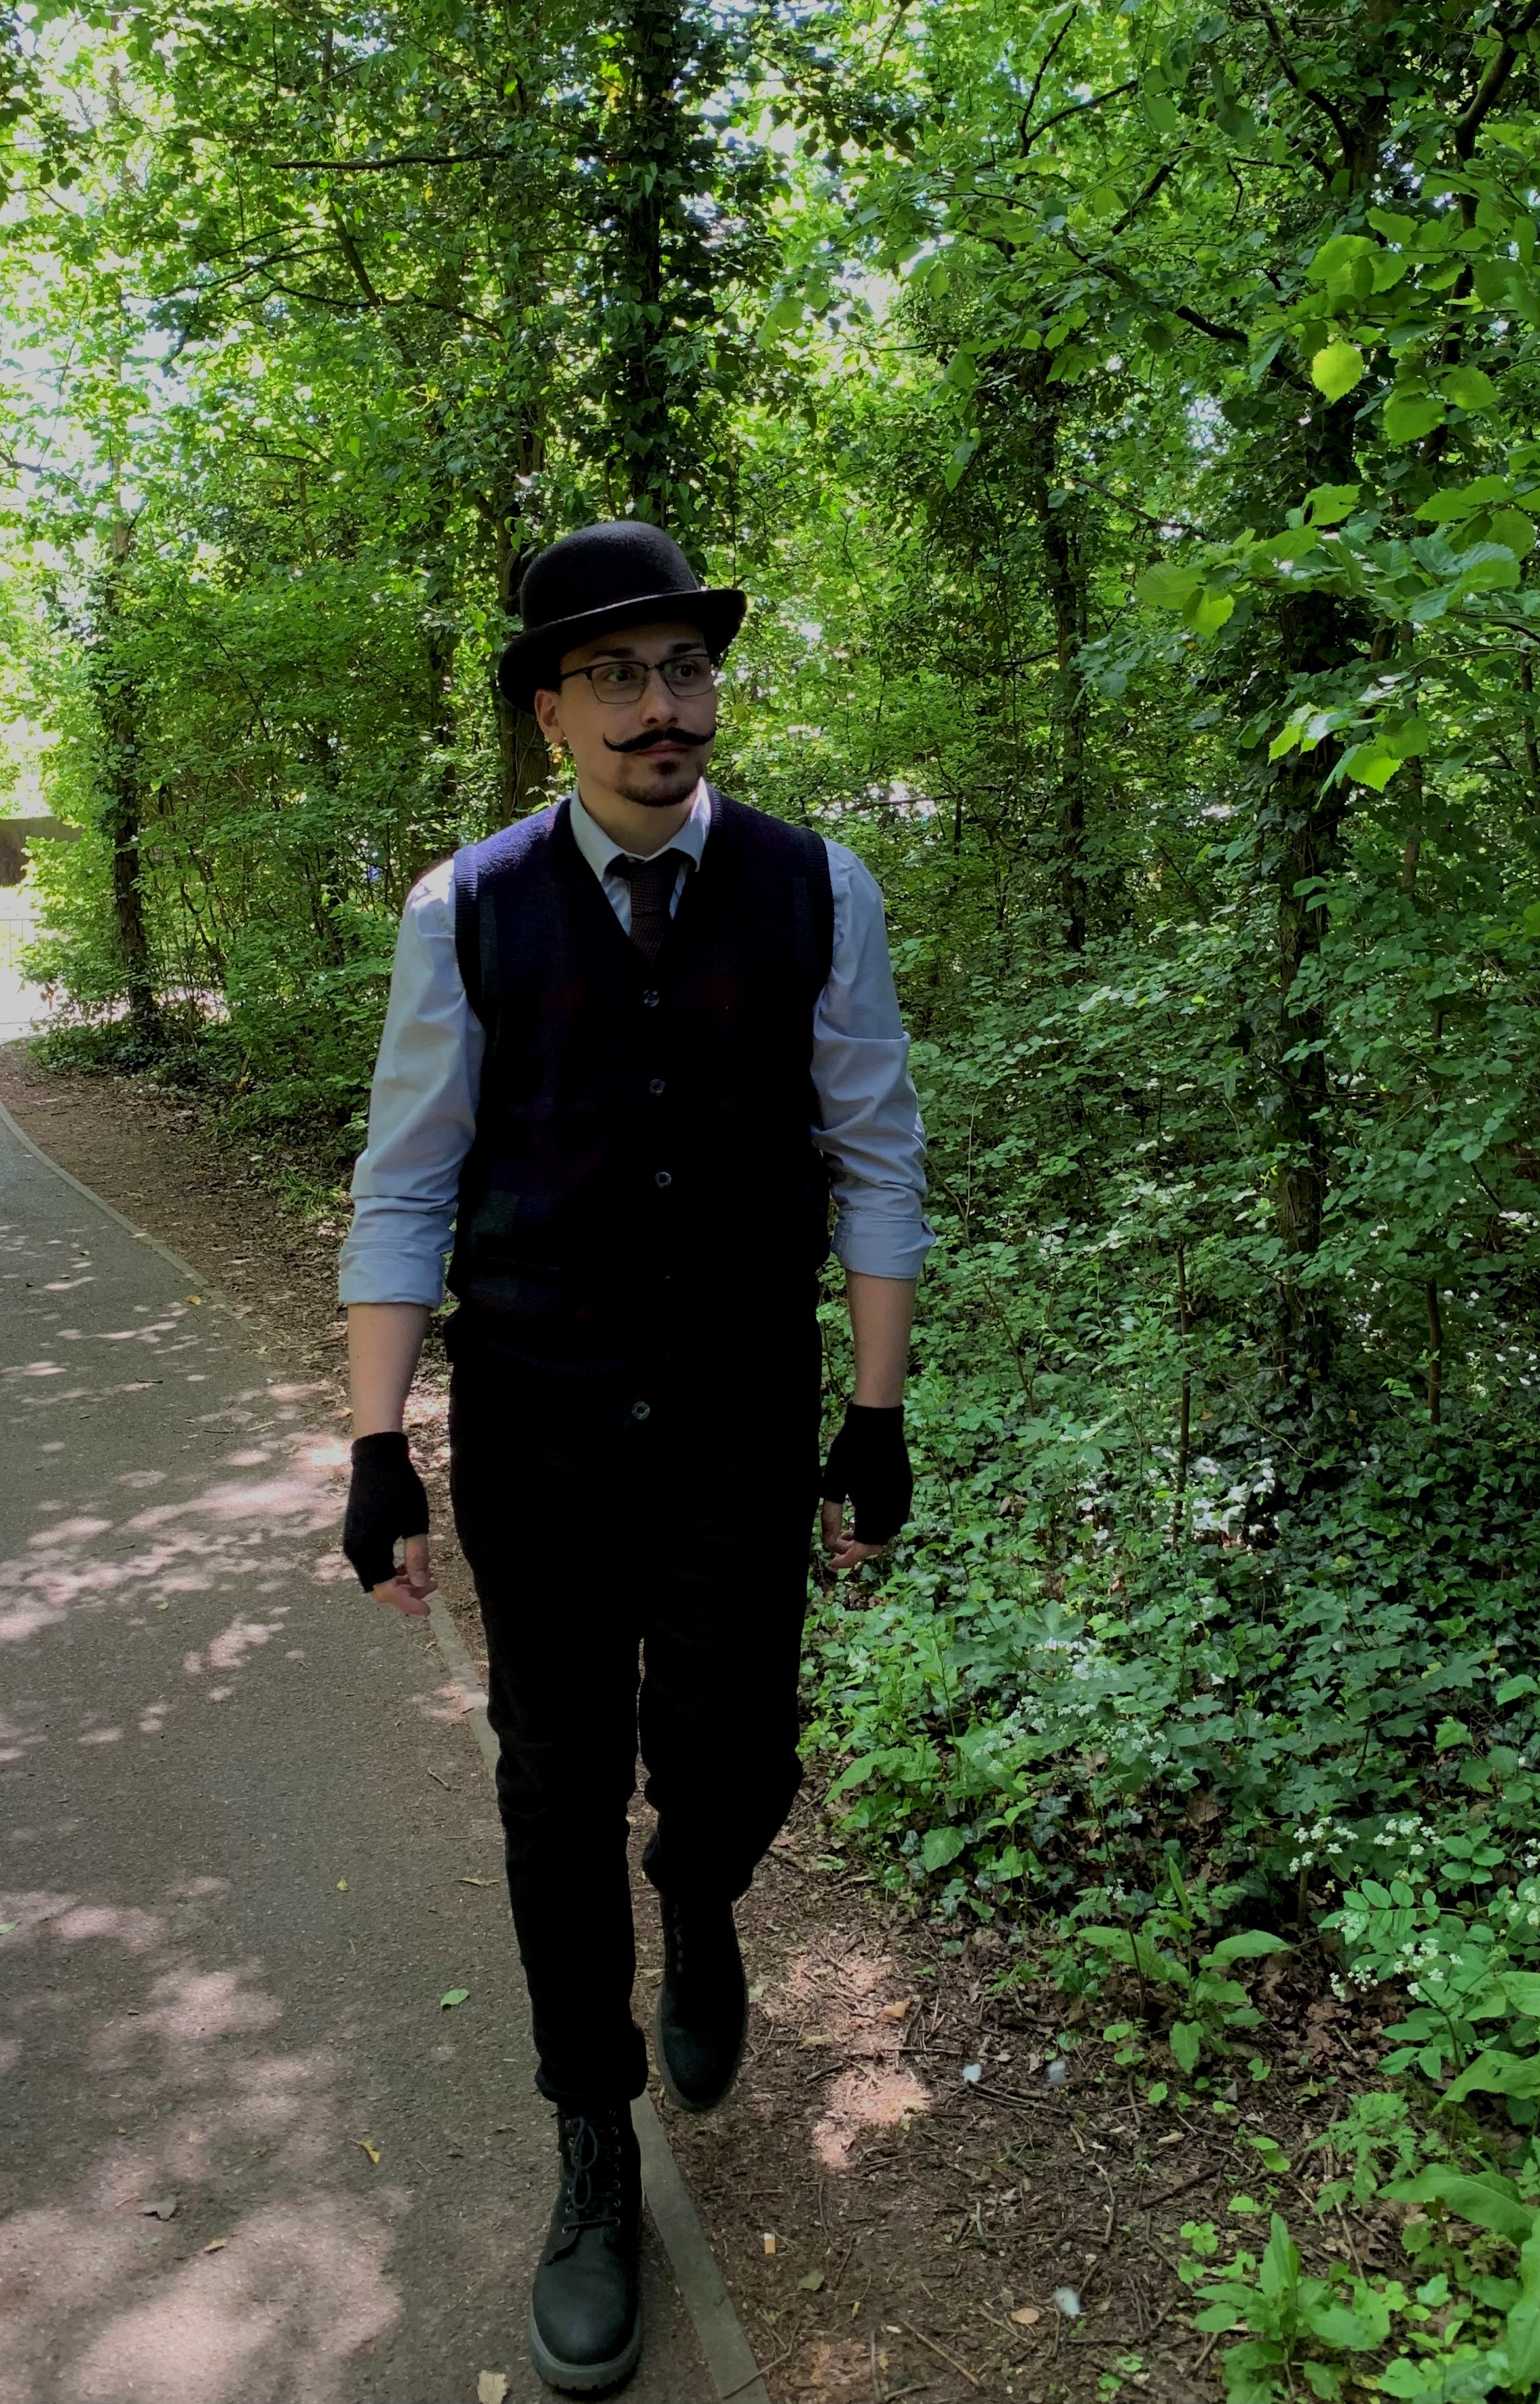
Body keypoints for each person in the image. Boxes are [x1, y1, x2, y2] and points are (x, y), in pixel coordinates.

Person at [335, 521, 931, 2396]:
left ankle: (700, 1893)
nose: (659, 710)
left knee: (739, 1751)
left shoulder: (818, 888)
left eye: (683, 669)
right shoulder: (466, 909)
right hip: (540, 1418)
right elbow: (409, 1180)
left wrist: (877, 1411)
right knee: (548, 1778)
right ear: (547, 714)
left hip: (745, 1414)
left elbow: (877, 1149)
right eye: (613, 675)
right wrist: (377, 1445)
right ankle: (589, 2136)